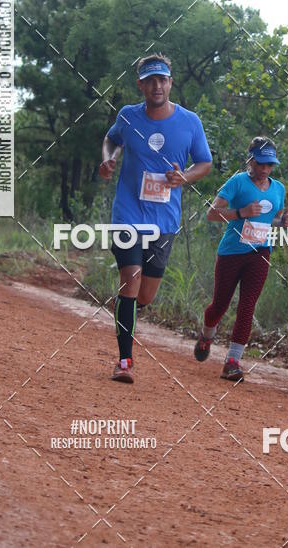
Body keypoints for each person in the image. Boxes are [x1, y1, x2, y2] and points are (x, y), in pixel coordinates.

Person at [99, 53, 212, 383]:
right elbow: (111, 139)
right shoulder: (128, 116)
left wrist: (184, 177)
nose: (157, 86)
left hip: (164, 221)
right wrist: (108, 159)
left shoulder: (190, 122)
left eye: (162, 79)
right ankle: (124, 361)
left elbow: (204, 163)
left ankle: (125, 307)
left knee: (144, 296)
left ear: (170, 83)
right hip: (128, 214)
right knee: (131, 277)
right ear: (141, 85)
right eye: (150, 81)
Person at [194, 136, 288, 381]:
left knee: (247, 307)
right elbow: (212, 214)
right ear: (250, 160)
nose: (265, 169)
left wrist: (283, 222)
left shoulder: (278, 188)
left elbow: (272, 219)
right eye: (260, 164)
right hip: (232, 252)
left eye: (269, 165)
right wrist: (241, 212)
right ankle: (207, 335)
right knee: (219, 306)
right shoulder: (237, 182)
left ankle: (232, 362)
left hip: (260, 252)